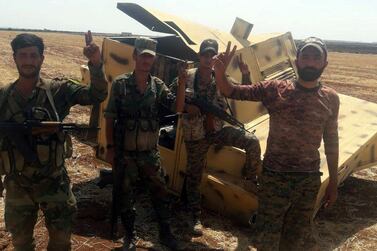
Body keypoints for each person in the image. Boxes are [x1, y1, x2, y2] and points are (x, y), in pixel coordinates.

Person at [213, 37, 339, 251]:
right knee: (266, 241)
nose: (310, 62)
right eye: (305, 56)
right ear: (297, 61)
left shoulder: (330, 98)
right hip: (274, 179)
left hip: (307, 182)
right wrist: (219, 73)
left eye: (316, 58)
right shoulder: (275, 89)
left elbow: (331, 142)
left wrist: (333, 182)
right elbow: (232, 91)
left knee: (295, 241)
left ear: (324, 64)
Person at [0, 32, 108, 251]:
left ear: (42, 58)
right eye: (23, 55)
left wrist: (96, 62)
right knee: (21, 244)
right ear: (15, 58)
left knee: (60, 243)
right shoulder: (3, 96)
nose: (28, 61)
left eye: (33, 55)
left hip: (54, 183)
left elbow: (97, 95)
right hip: (17, 185)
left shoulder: (58, 91)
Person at [170, 38, 262, 237]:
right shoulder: (187, 76)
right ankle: (194, 216)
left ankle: (250, 179)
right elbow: (171, 103)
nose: (208, 58)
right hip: (196, 135)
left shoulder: (221, 77)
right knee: (194, 175)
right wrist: (187, 107)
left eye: (212, 55)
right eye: (205, 54)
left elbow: (243, 93)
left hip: (218, 131)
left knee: (252, 141)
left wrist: (246, 74)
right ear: (199, 55)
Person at [104, 37, 185, 250]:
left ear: (154, 60)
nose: (146, 61)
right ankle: (130, 235)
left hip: (150, 153)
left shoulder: (158, 86)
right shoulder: (121, 84)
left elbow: (177, 108)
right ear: (135, 56)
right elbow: (110, 117)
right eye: (142, 56)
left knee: (160, 193)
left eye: (150, 57)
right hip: (126, 153)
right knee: (124, 195)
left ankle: (165, 233)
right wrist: (110, 148)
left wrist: (182, 82)